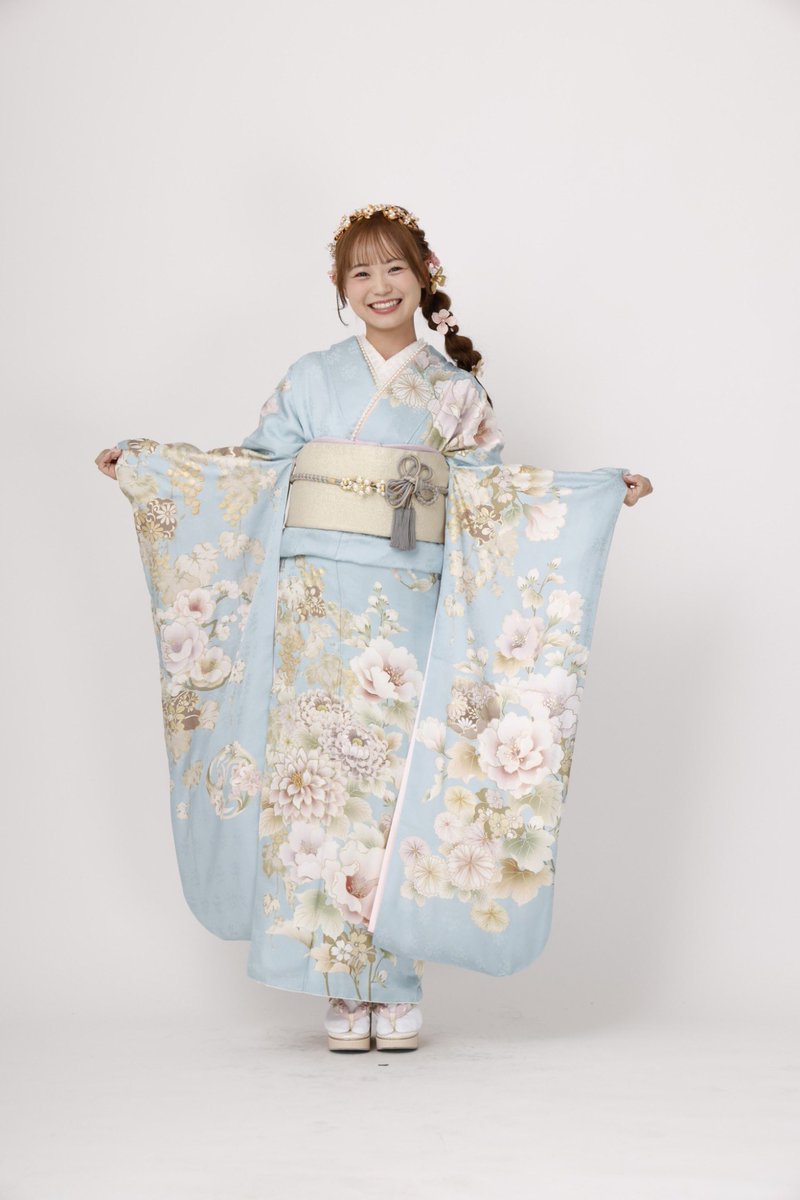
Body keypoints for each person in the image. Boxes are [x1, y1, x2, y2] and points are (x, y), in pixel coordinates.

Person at [95, 202, 653, 1053]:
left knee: (396, 790)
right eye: (361, 272)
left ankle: (391, 985)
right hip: (315, 609)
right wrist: (151, 468)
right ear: (341, 288)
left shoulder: (455, 392)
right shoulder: (312, 378)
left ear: (425, 278)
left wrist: (595, 493)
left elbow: (494, 500)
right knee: (318, 783)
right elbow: (249, 473)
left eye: (395, 268)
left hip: (409, 601)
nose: (380, 285)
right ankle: (337, 983)